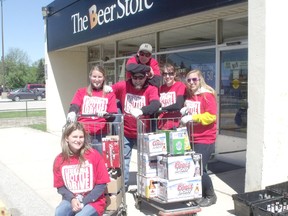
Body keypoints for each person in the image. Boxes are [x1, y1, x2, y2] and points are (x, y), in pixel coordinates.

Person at [112, 63, 161, 189]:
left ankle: (145, 186)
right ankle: (124, 185)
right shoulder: (124, 86)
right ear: (131, 77)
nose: (138, 80)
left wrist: (142, 110)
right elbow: (108, 92)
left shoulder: (151, 89)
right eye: (135, 78)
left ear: (146, 77)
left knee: (146, 161)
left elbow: (156, 104)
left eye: (141, 77)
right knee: (124, 160)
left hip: (143, 132)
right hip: (126, 132)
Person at [53, 122, 110, 216]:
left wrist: (84, 201)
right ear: (67, 138)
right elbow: (60, 187)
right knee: (60, 212)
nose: (78, 140)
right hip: (71, 199)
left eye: (81, 137)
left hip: (93, 201)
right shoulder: (60, 160)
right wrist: (72, 199)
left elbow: (102, 184)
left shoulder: (94, 155)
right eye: (74, 137)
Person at [180, 69, 217, 207]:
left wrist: (193, 117)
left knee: (199, 169)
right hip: (191, 138)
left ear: (200, 79)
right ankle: (200, 193)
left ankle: (211, 195)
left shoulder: (207, 96)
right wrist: (185, 112)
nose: (191, 82)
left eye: (194, 79)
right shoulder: (189, 96)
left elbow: (211, 116)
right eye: (189, 80)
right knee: (196, 168)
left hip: (205, 139)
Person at [66, 65, 118, 154]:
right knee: (82, 159)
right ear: (90, 77)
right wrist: (72, 112)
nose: (97, 79)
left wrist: (106, 115)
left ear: (104, 78)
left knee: (99, 160)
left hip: (100, 134)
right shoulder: (81, 92)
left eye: (99, 77)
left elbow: (113, 115)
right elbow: (75, 105)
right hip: (83, 133)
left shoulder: (109, 94)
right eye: (94, 76)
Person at [157, 63, 186, 130]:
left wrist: (161, 109)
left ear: (175, 74)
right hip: (161, 125)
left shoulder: (180, 85)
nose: (167, 76)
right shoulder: (161, 88)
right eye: (165, 74)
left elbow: (178, 105)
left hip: (176, 125)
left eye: (170, 74)